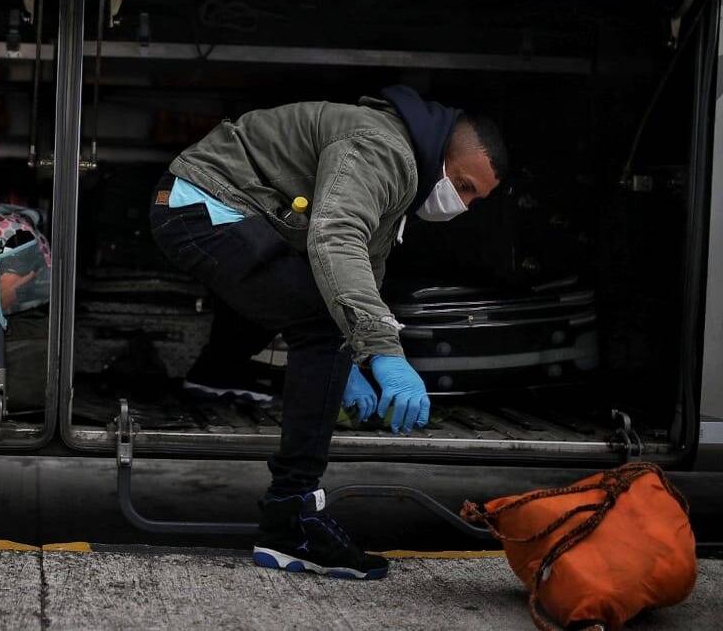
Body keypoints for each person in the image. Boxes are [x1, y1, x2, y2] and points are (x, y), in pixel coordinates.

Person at [149, 85, 507, 580]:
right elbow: (336, 238)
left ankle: (290, 513)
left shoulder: (400, 172)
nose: (463, 205)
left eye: (476, 200)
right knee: (319, 326)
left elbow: (359, 273)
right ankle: (290, 521)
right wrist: (384, 351)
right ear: (445, 154)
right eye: (464, 186)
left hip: (217, 207)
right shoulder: (383, 150)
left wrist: (354, 362)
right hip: (205, 205)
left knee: (323, 322)